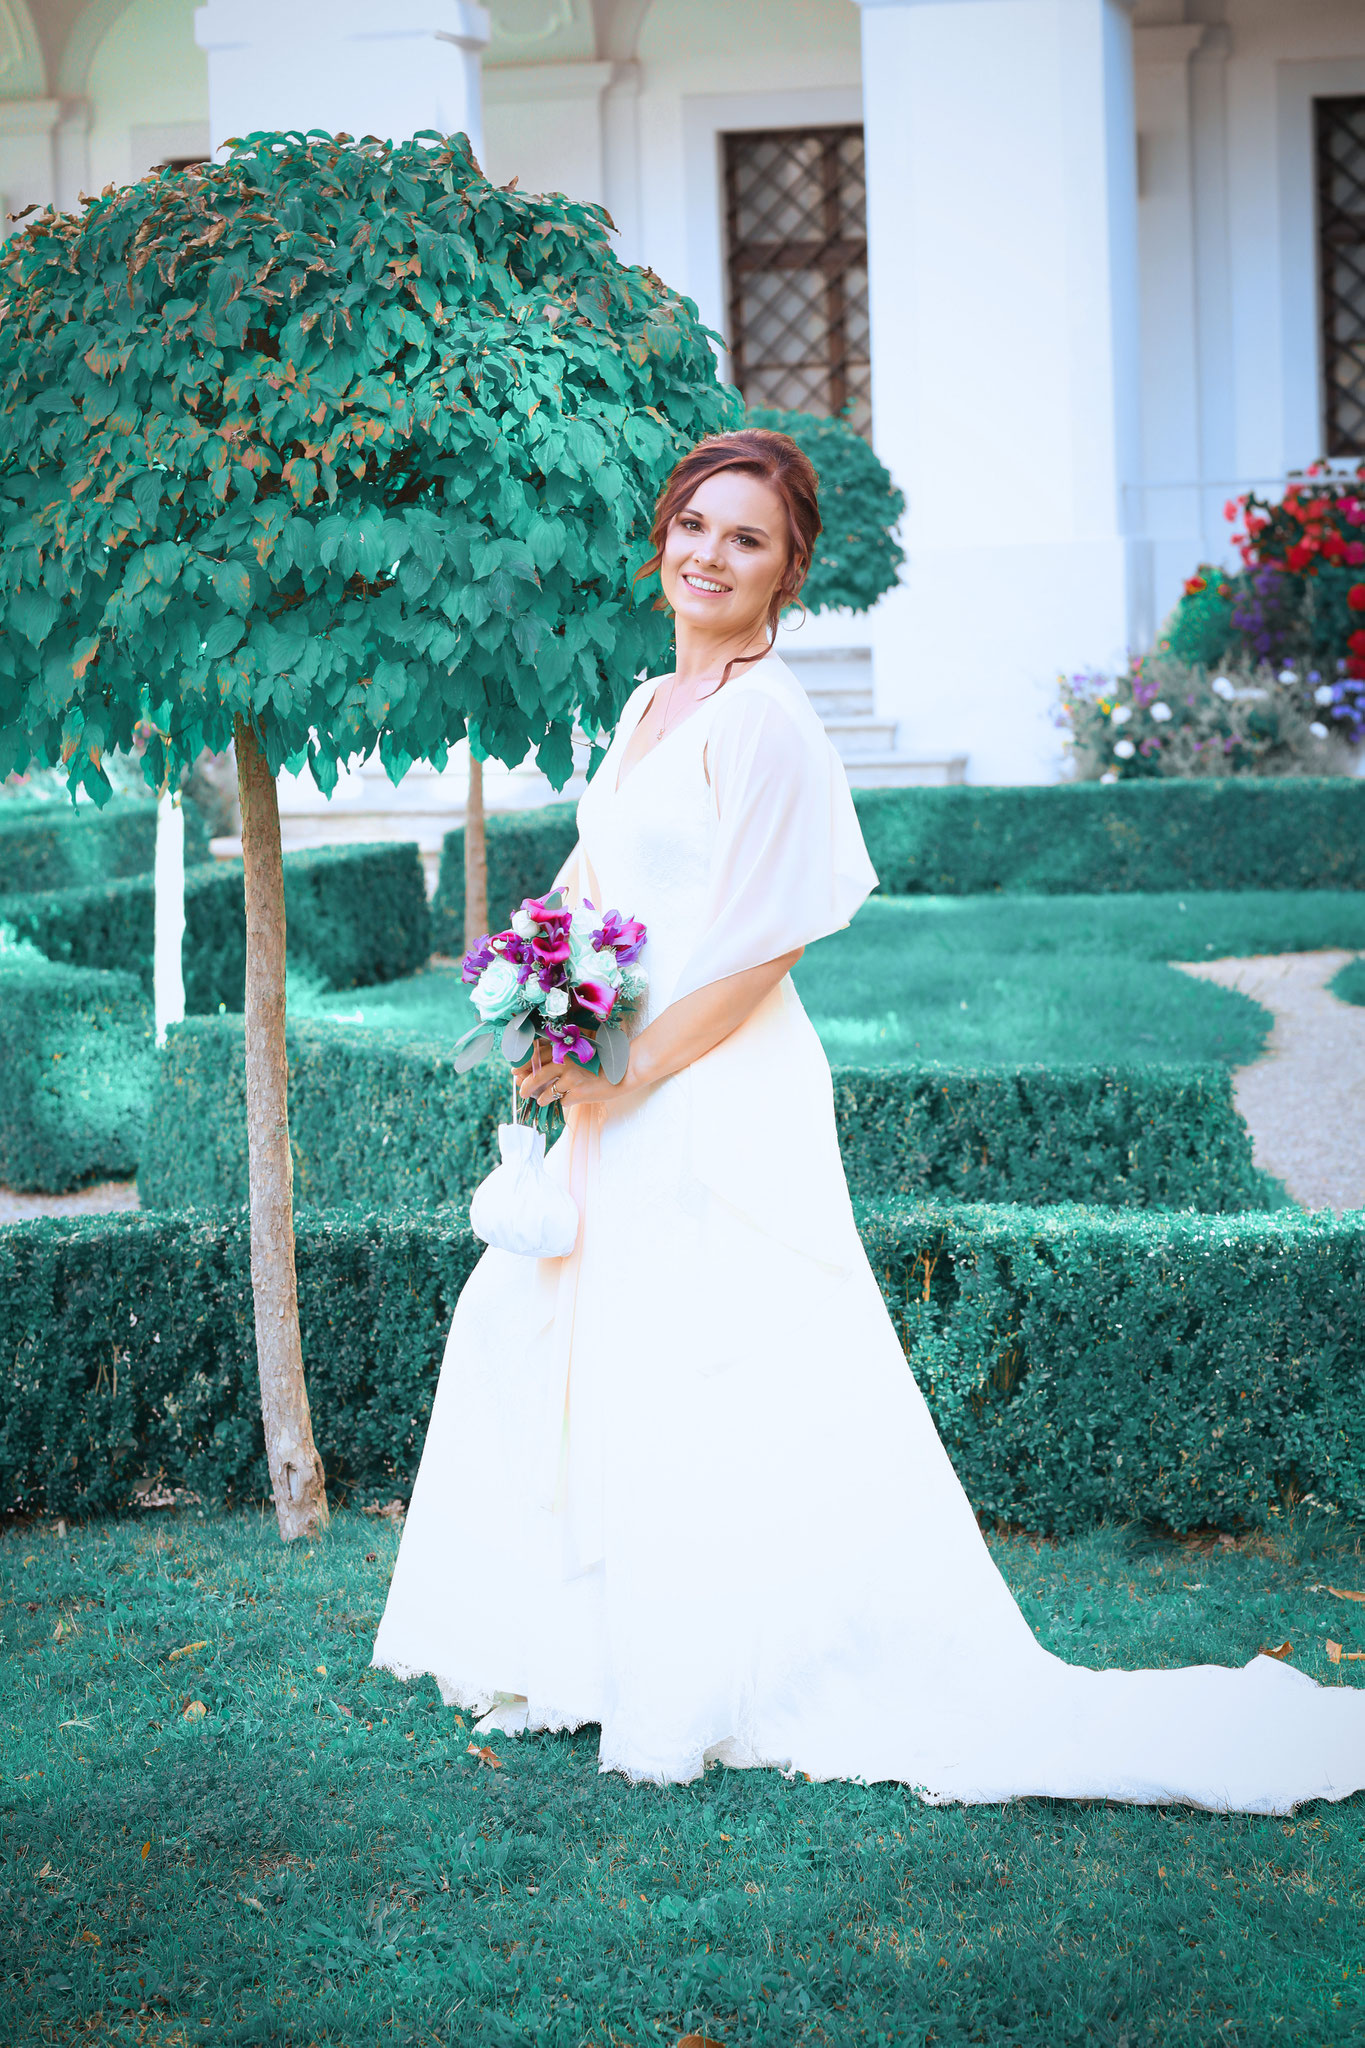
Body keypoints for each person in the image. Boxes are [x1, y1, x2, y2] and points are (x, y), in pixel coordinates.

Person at [373, 429, 1364, 1807]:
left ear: (787, 576)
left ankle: (715, 1675)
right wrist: (550, 1006)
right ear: (662, 532)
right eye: (697, 525)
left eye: (747, 541)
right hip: (624, 1073)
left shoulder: (768, 718)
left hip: (711, 1075)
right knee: (607, 1347)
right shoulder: (650, 700)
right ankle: (607, 1657)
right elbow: (599, 879)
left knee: (713, 1362)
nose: (710, 555)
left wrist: (634, 1067)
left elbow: (765, 944)